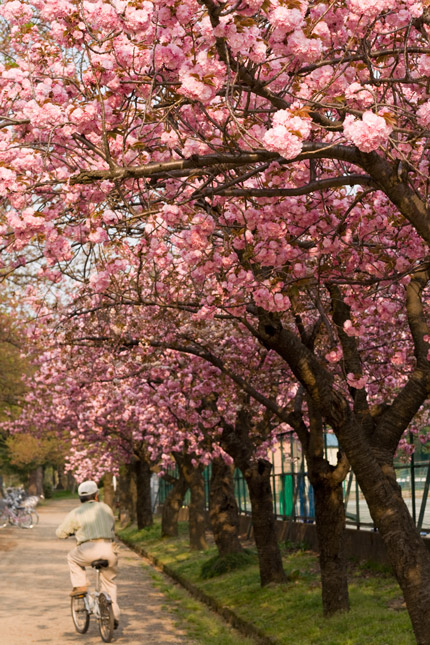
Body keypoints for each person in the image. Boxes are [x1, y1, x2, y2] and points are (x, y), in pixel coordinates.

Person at [56, 480, 120, 627]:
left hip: (88, 550)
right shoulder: (106, 508)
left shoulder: (76, 513)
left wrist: (69, 533)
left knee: (71, 558)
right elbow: (112, 527)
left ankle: (80, 585)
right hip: (109, 548)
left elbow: (60, 533)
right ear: (96, 496)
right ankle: (114, 614)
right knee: (109, 583)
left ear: (80, 498)